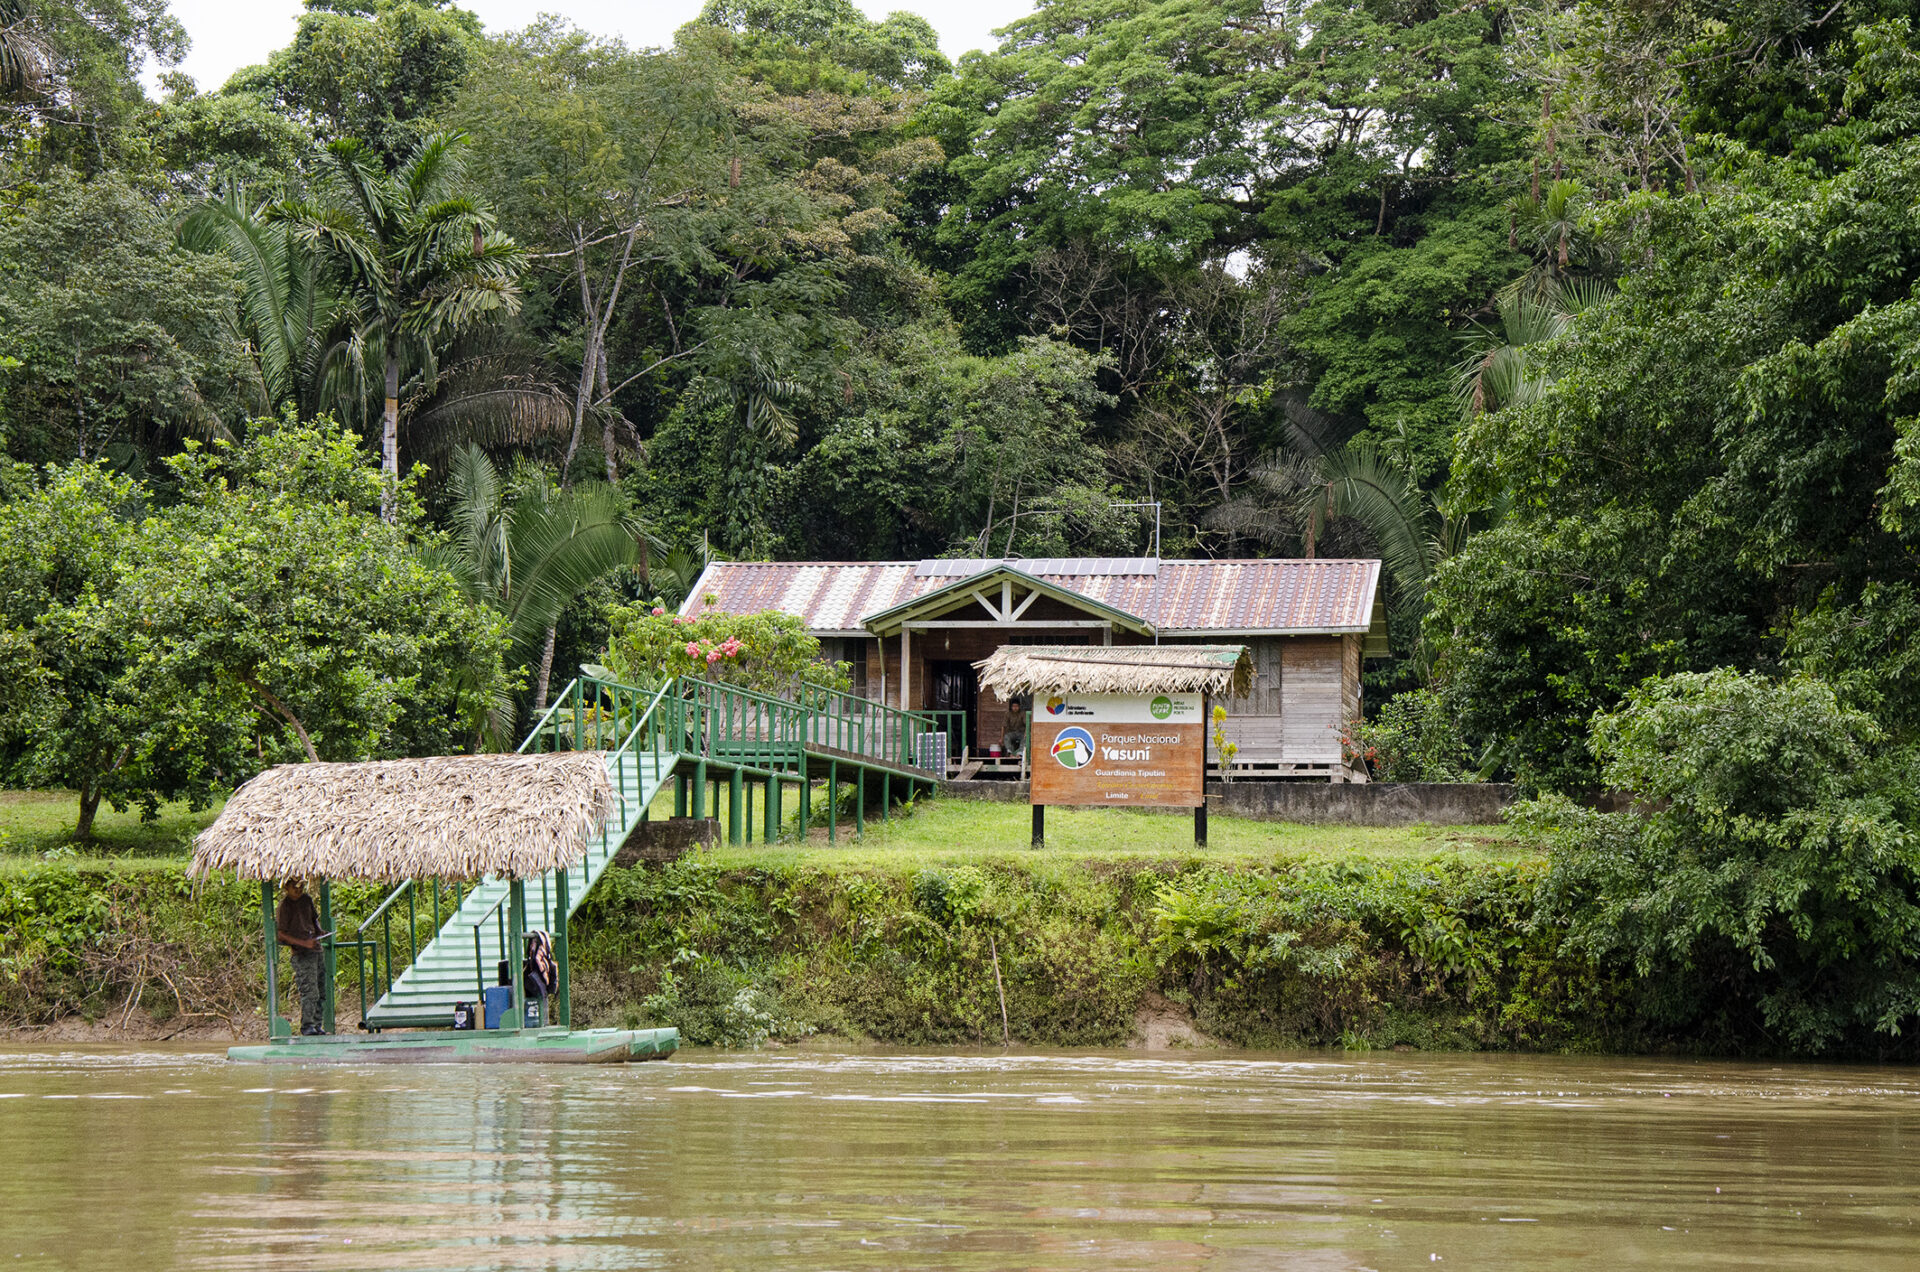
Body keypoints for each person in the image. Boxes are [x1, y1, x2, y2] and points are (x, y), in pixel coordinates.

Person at [275, 879, 328, 1036]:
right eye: (294, 887)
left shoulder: (307, 900)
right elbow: (281, 934)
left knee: (321, 990)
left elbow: (314, 920)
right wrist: (303, 943)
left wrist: (319, 932)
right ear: (286, 887)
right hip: (301, 953)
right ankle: (307, 1025)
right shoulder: (284, 906)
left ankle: (318, 1024)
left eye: (301, 887)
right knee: (310, 991)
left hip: (316, 950)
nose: (298, 890)